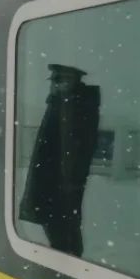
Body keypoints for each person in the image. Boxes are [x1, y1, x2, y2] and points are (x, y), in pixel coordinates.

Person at [19, 64, 101, 257]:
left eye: (60, 80)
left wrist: (66, 185)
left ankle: (67, 264)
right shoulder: (63, 105)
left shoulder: (74, 108)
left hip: (57, 189)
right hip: (53, 187)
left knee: (64, 236)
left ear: (72, 82)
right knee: (62, 234)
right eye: (54, 81)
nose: (55, 85)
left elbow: (73, 153)